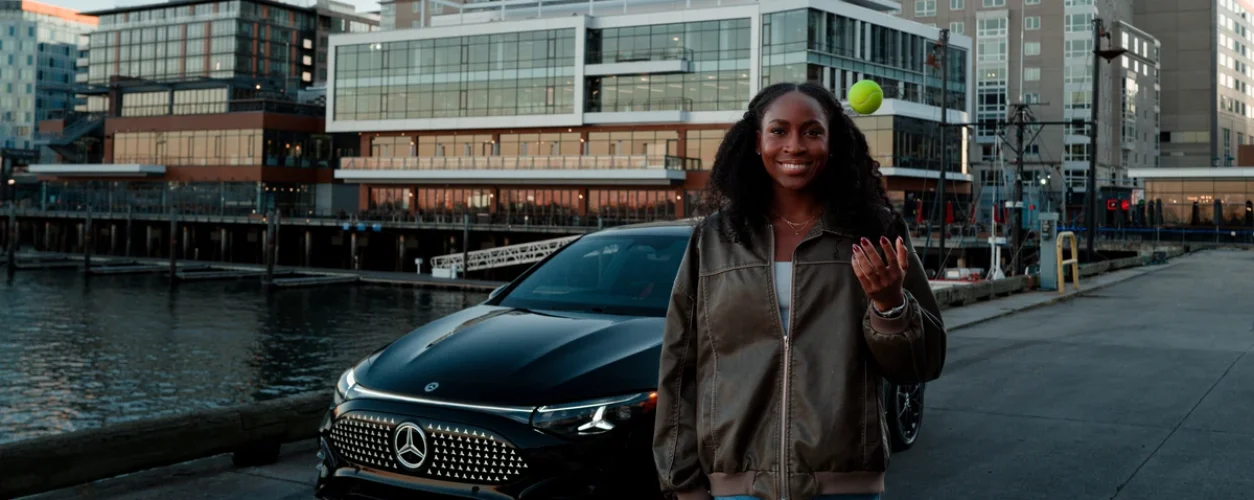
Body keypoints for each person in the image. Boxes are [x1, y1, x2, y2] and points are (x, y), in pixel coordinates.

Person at [652, 82, 947, 500]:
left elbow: (923, 364)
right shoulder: (715, 238)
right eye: (779, 131)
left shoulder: (875, 233)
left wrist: (890, 305)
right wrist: (682, 484)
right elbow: (680, 367)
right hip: (736, 487)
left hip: (844, 487)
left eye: (812, 131)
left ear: (833, 142)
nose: (795, 146)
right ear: (757, 142)